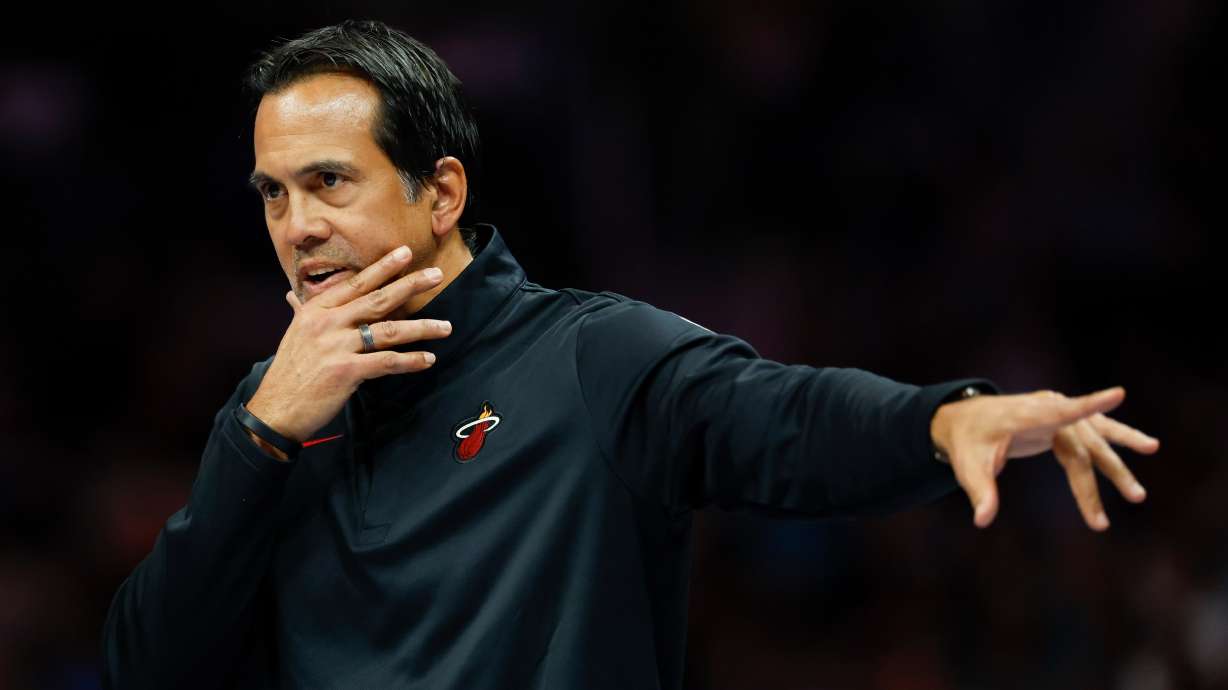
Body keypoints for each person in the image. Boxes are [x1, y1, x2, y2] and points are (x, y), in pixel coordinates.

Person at [100, 19, 1160, 690]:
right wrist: (255, 439)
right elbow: (147, 667)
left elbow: (772, 417)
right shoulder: (269, 415)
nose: (296, 225)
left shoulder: (583, 357)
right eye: (274, 195)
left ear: (441, 193)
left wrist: (937, 419)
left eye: (330, 182)